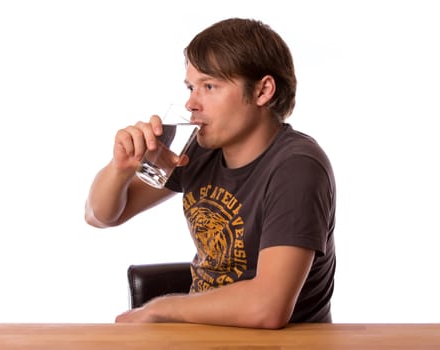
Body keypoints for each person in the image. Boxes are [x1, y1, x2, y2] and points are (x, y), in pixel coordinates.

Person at [85, 17, 336, 329]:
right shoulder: (200, 150)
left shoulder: (297, 166)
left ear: (263, 91)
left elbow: (267, 307)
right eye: (191, 87)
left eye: (209, 86)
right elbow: (101, 215)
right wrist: (120, 168)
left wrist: (161, 308)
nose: (191, 103)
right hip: (204, 334)